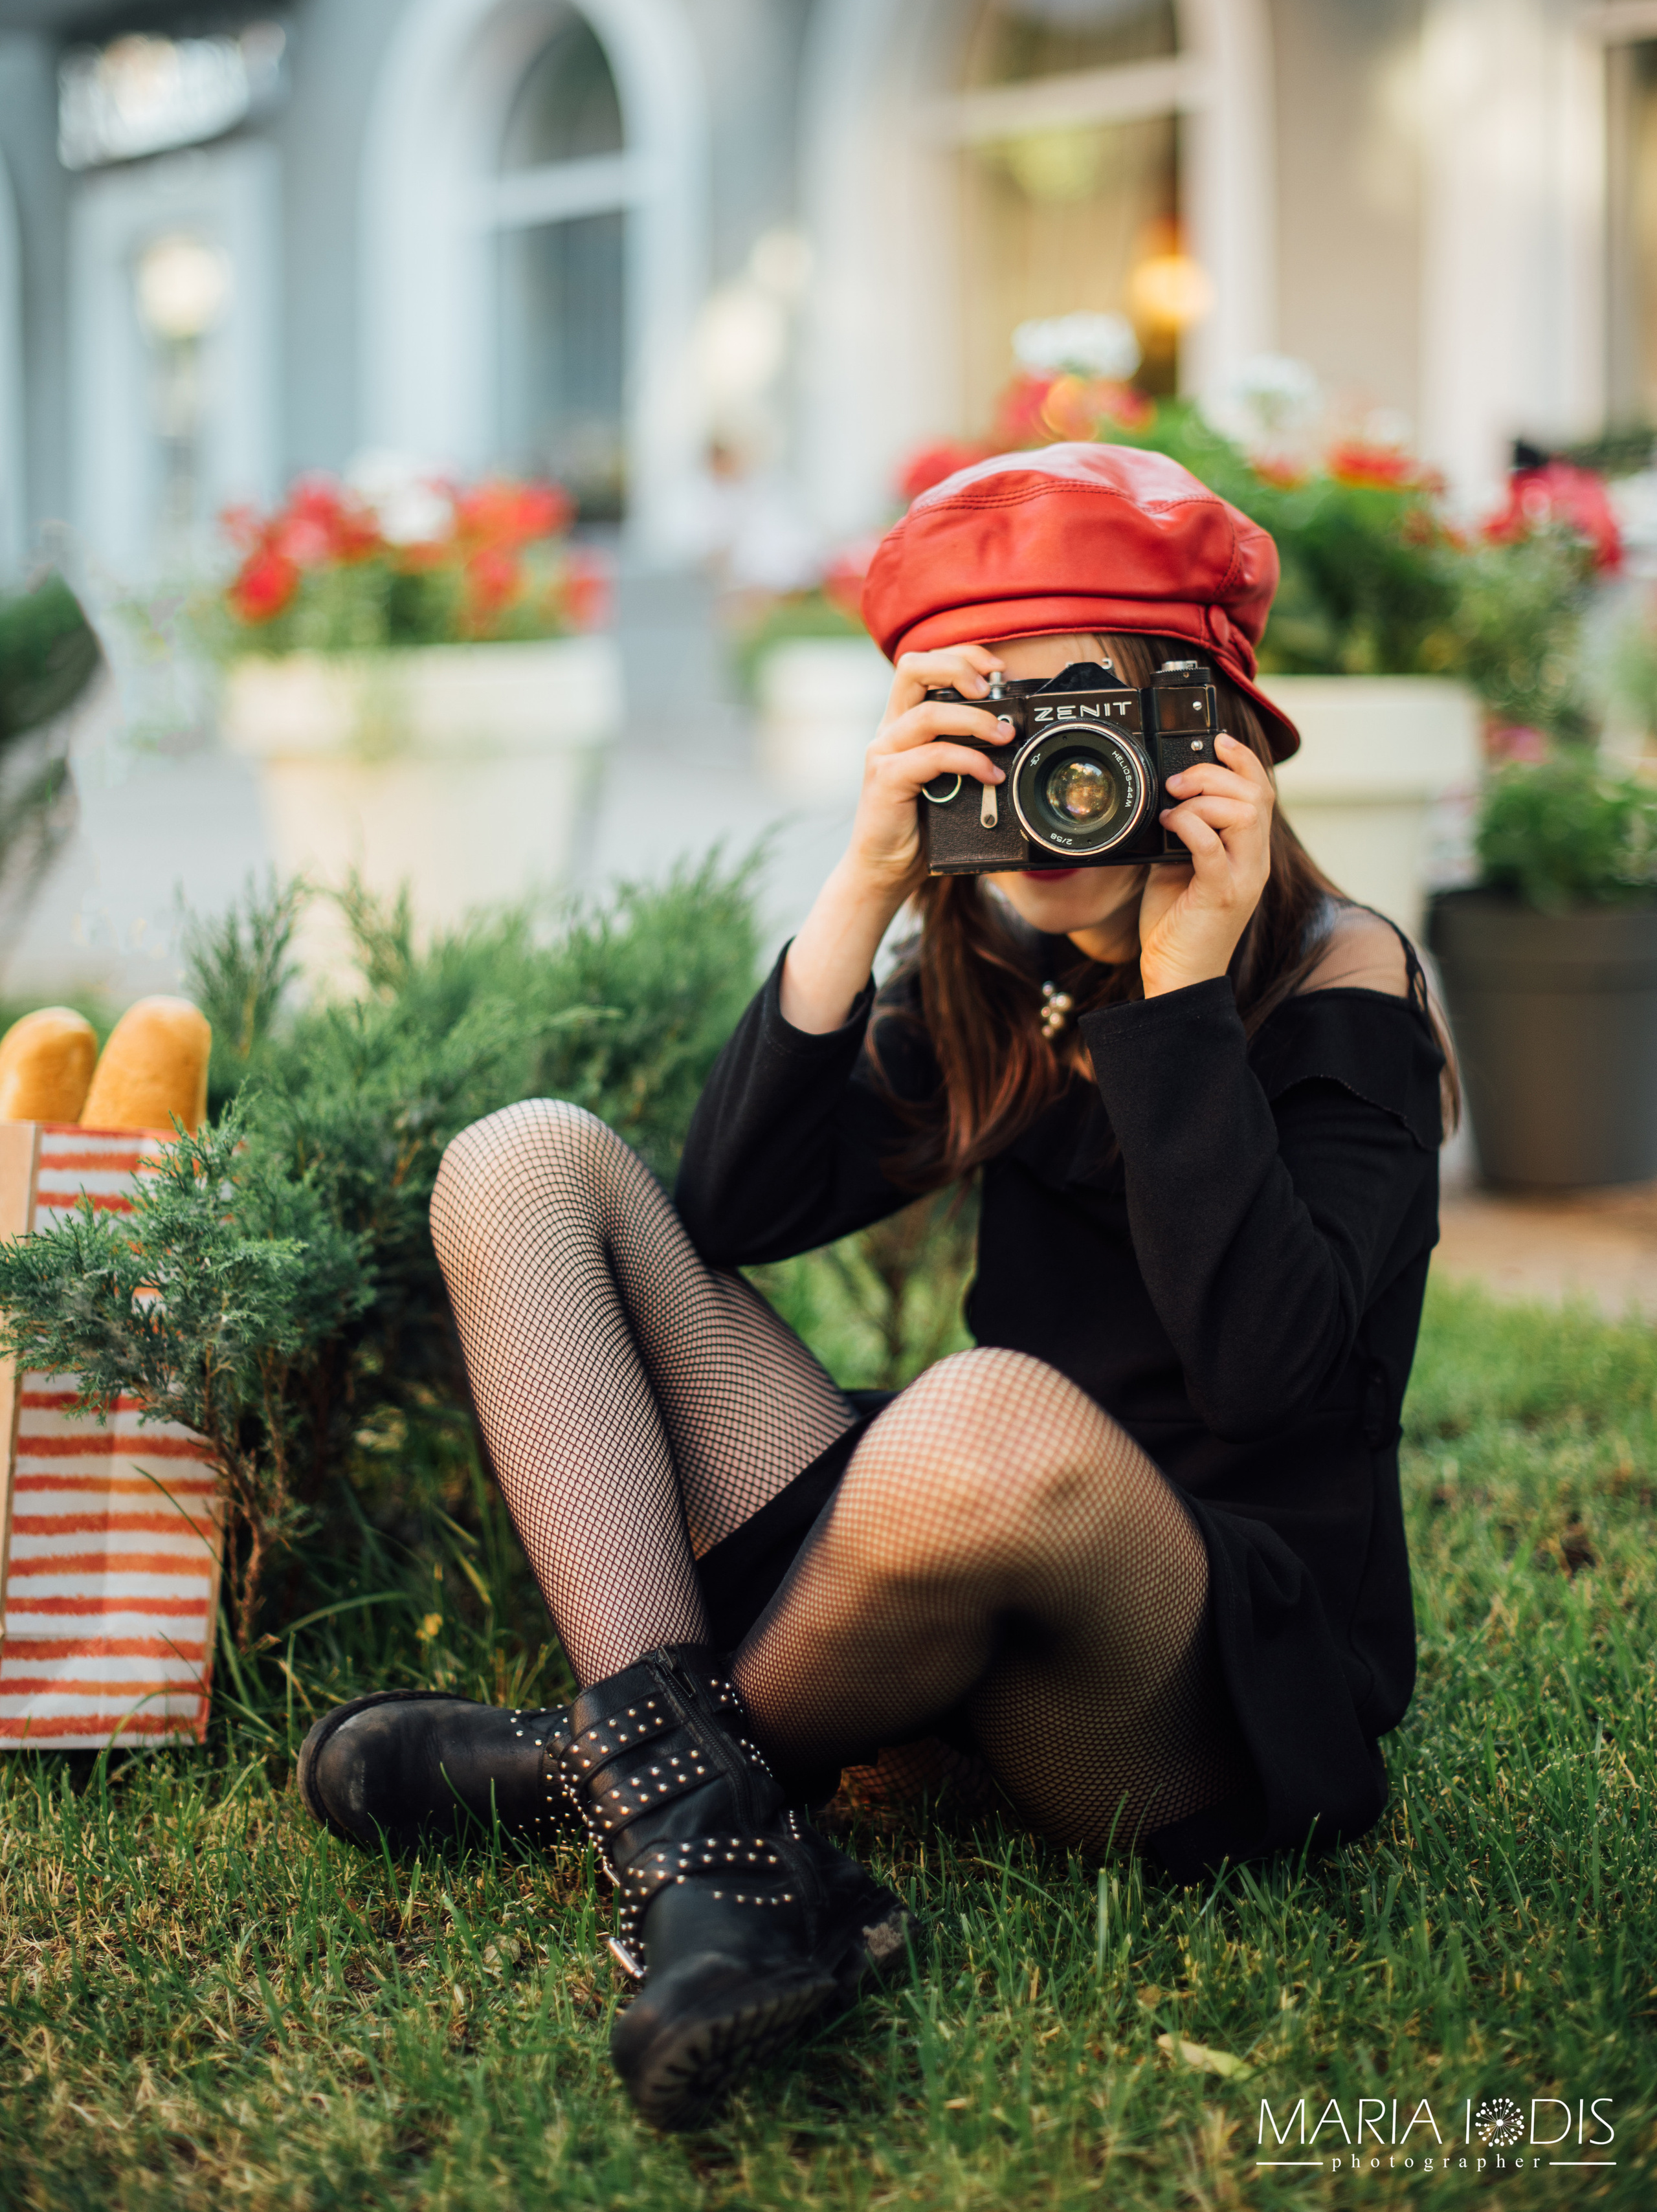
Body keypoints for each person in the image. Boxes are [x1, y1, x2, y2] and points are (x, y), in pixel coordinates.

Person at [297, 441, 1449, 2131]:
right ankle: (717, 1847)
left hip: (1188, 1668)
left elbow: (1280, 1385)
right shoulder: (994, 960)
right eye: (993, 732)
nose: (1046, 784)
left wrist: (1177, 1001)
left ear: (1207, 737)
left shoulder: (1343, 977)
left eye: (1089, 730)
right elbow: (729, 1210)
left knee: (980, 1414)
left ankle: (601, 1766)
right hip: (945, 1555)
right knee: (523, 1158)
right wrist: (865, 883)